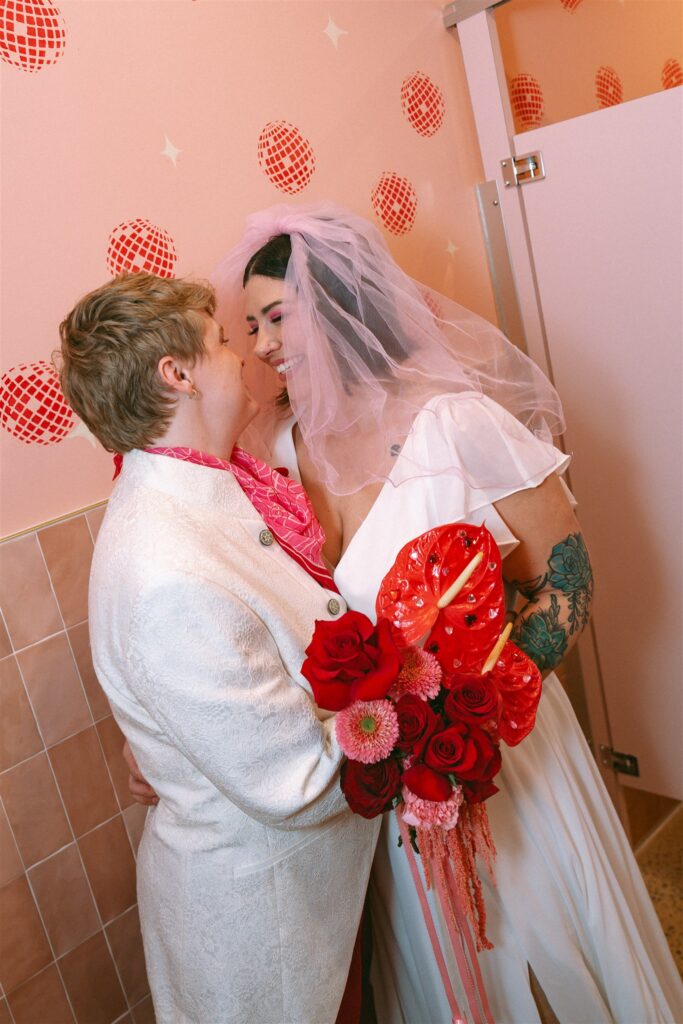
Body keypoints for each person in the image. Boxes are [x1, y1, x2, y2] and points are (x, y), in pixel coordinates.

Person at [128, 204, 683, 1023]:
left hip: (502, 755)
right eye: (249, 327)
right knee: (441, 975)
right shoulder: (278, 450)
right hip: (388, 778)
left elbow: (568, 572)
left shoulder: (454, 422)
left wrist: (477, 708)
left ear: (341, 307)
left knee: (547, 947)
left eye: (278, 317)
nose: (264, 344)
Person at [58, 271, 380, 1024]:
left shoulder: (212, 488)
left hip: (306, 896)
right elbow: (294, 782)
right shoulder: (165, 567)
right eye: (224, 342)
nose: (244, 357)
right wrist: (407, 694)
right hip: (262, 922)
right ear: (177, 374)